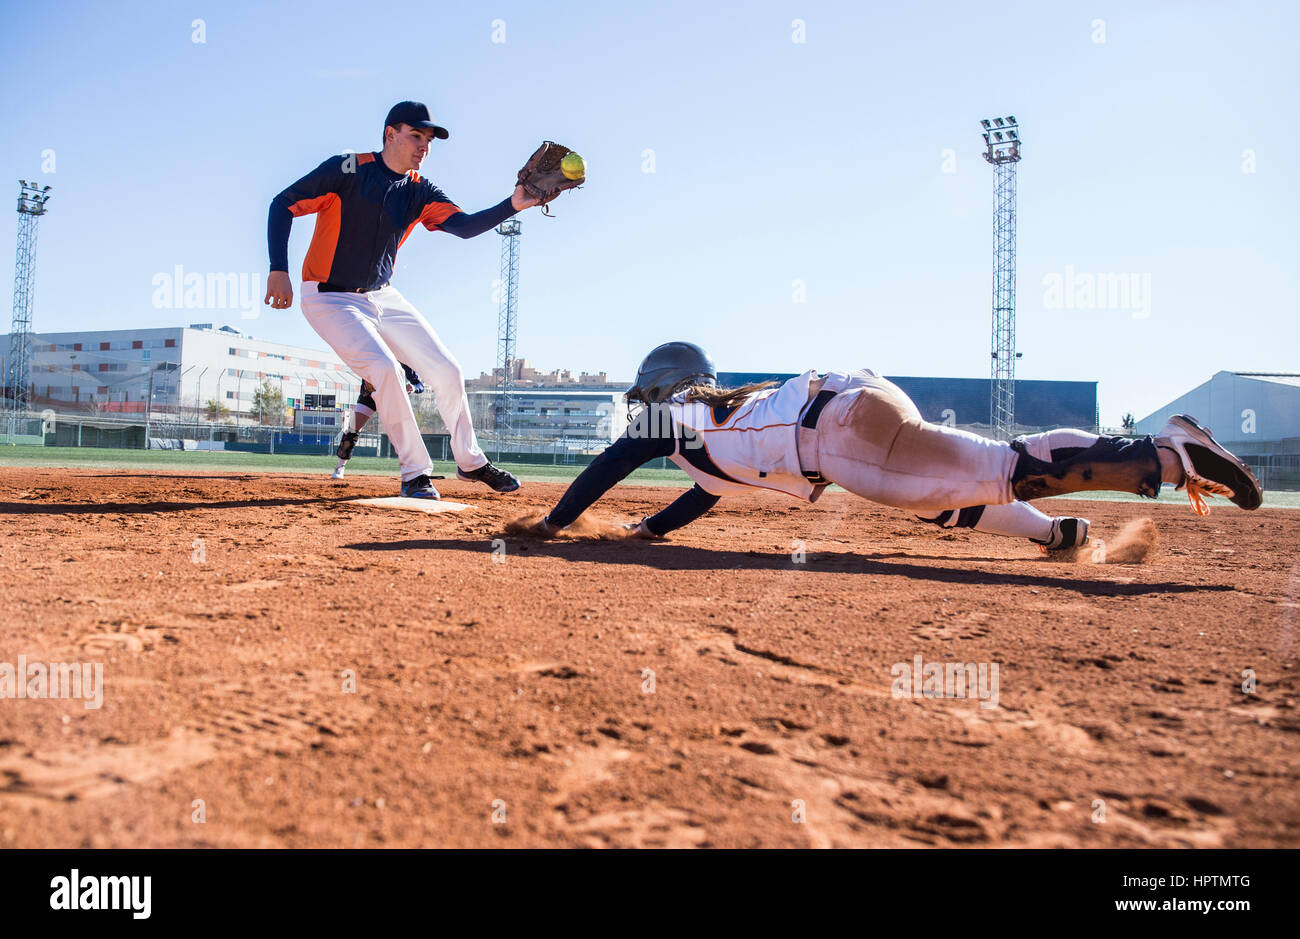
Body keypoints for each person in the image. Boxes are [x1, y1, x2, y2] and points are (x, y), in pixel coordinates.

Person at [524, 341, 1263, 543]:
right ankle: (1056, 535)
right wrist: (649, 527)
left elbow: (610, 459)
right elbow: (701, 496)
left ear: (660, 387)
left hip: (842, 433)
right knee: (945, 497)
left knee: (1000, 466)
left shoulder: (677, 421)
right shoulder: (713, 433)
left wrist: (554, 522)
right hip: (848, 415)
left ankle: (1167, 452)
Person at [265, 100, 534, 499]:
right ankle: (415, 473)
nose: (424, 146)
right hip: (329, 297)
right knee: (386, 370)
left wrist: (513, 204)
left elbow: (462, 227)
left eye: (429, 139)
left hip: (382, 295)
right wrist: (278, 269)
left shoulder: (419, 189)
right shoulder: (348, 168)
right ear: (390, 134)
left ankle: (470, 462)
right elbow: (282, 204)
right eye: (416, 135)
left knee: (447, 369)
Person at [331, 363, 423, 481]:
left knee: (402, 434)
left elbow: (419, 385)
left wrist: (413, 387)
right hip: (368, 397)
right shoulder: (370, 353)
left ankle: (412, 471)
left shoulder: (399, 359)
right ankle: (340, 466)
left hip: (391, 398)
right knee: (353, 428)